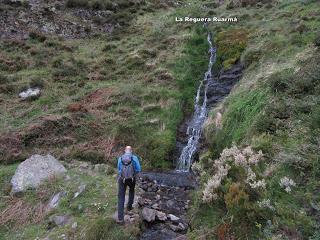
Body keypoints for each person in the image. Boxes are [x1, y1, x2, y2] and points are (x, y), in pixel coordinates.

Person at [116, 146, 141, 224]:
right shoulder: (134, 158)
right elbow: (138, 169)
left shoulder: (120, 158)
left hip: (122, 179)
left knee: (121, 197)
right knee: (131, 191)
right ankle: (129, 207)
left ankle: (120, 218)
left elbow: (119, 169)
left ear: (125, 150)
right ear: (131, 151)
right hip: (132, 179)